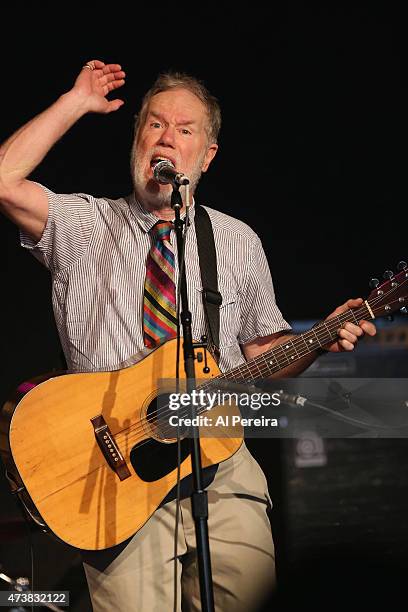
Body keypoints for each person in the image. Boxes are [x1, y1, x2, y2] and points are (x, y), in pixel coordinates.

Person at [0, 60, 376, 611]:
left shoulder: (236, 240)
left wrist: (318, 338)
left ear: (207, 156)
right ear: (136, 138)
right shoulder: (84, 224)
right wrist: (76, 101)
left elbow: (260, 358)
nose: (166, 138)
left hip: (219, 473)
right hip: (113, 479)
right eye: (154, 124)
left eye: (184, 129)